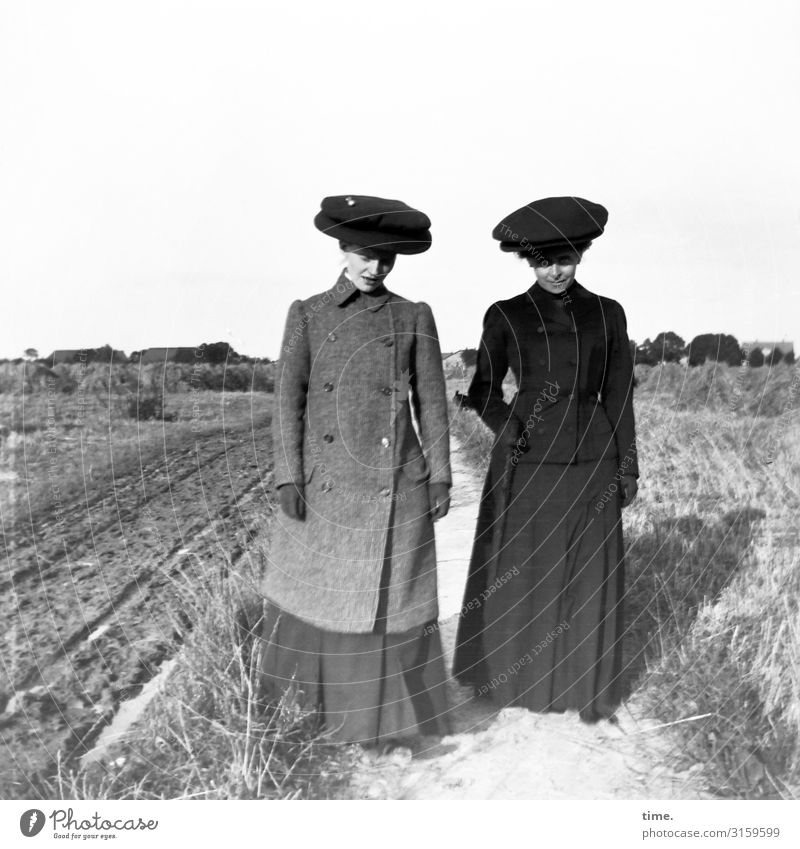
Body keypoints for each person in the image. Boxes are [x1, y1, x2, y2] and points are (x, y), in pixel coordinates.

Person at [260, 194, 452, 748]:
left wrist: (438, 474)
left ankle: (388, 726)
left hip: (397, 482)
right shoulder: (308, 314)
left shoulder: (414, 316)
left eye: (387, 258)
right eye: (366, 255)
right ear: (343, 250)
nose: (375, 268)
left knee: (392, 604)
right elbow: (286, 402)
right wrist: (287, 476)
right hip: (325, 485)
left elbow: (432, 403)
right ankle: (313, 717)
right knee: (321, 597)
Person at [452, 196, 638, 723]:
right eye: (544, 261)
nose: (556, 271)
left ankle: (585, 688)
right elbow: (484, 391)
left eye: (566, 258)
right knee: (524, 567)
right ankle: (515, 682)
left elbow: (620, 391)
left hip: (594, 454)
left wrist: (629, 464)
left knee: (589, 569)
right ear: (527, 261)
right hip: (529, 458)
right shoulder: (506, 314)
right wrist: (511, 432)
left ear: (582, 254)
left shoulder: (608, 313)